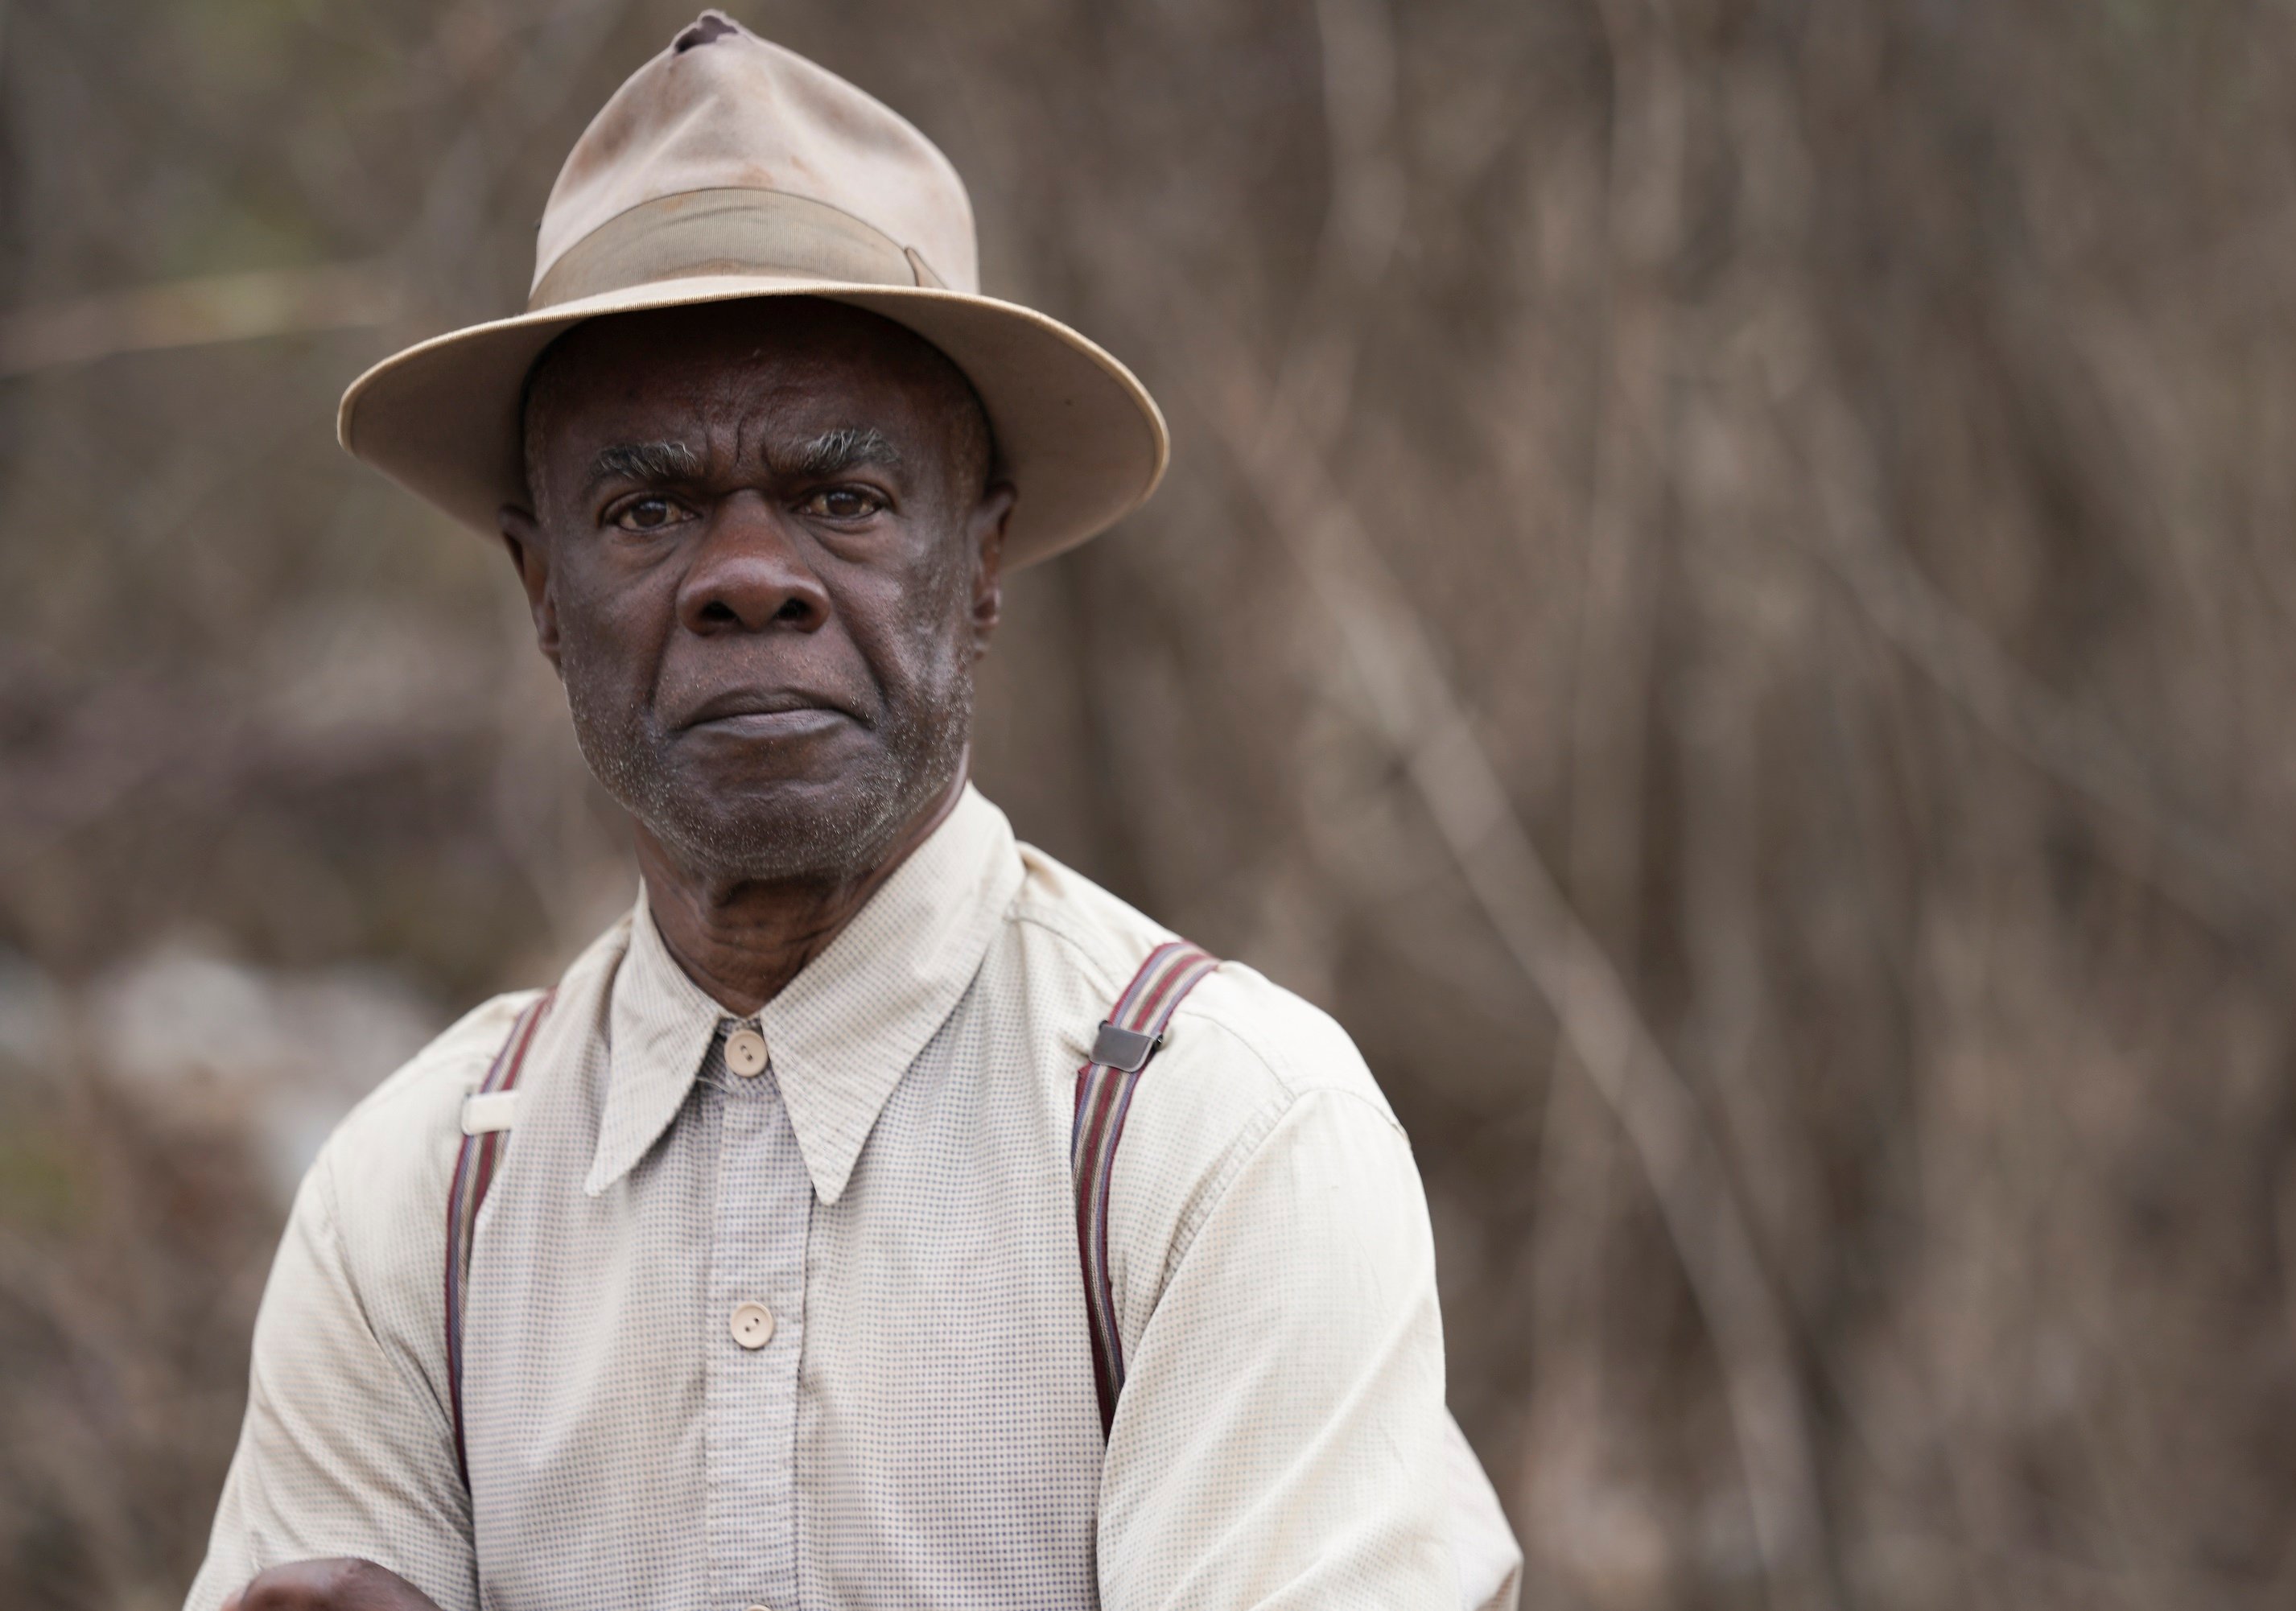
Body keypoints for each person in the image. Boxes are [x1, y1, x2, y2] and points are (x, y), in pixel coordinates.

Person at [188, 14, 1519, 1611]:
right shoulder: (415, 1193)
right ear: (544, 590)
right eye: (648, 507)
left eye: (846, 497)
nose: (751, 576)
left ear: (982, 568)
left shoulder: (1220, 1134)